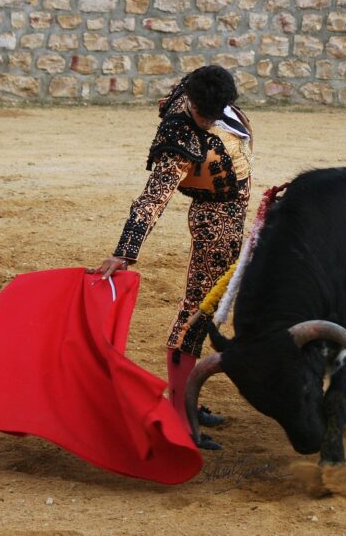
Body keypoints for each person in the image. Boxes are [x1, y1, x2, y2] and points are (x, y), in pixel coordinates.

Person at [92, 65, 253, 443]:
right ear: (193, 103)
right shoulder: (180, 136)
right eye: (204, 114)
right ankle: (182, 409)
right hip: (215, 222)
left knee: (222, 305)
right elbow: (152, 198)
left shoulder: (205, 92)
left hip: (239, 217)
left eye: (217, 113)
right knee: (198, 311)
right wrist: (124, 252)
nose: (209, 121)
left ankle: (187, 401)